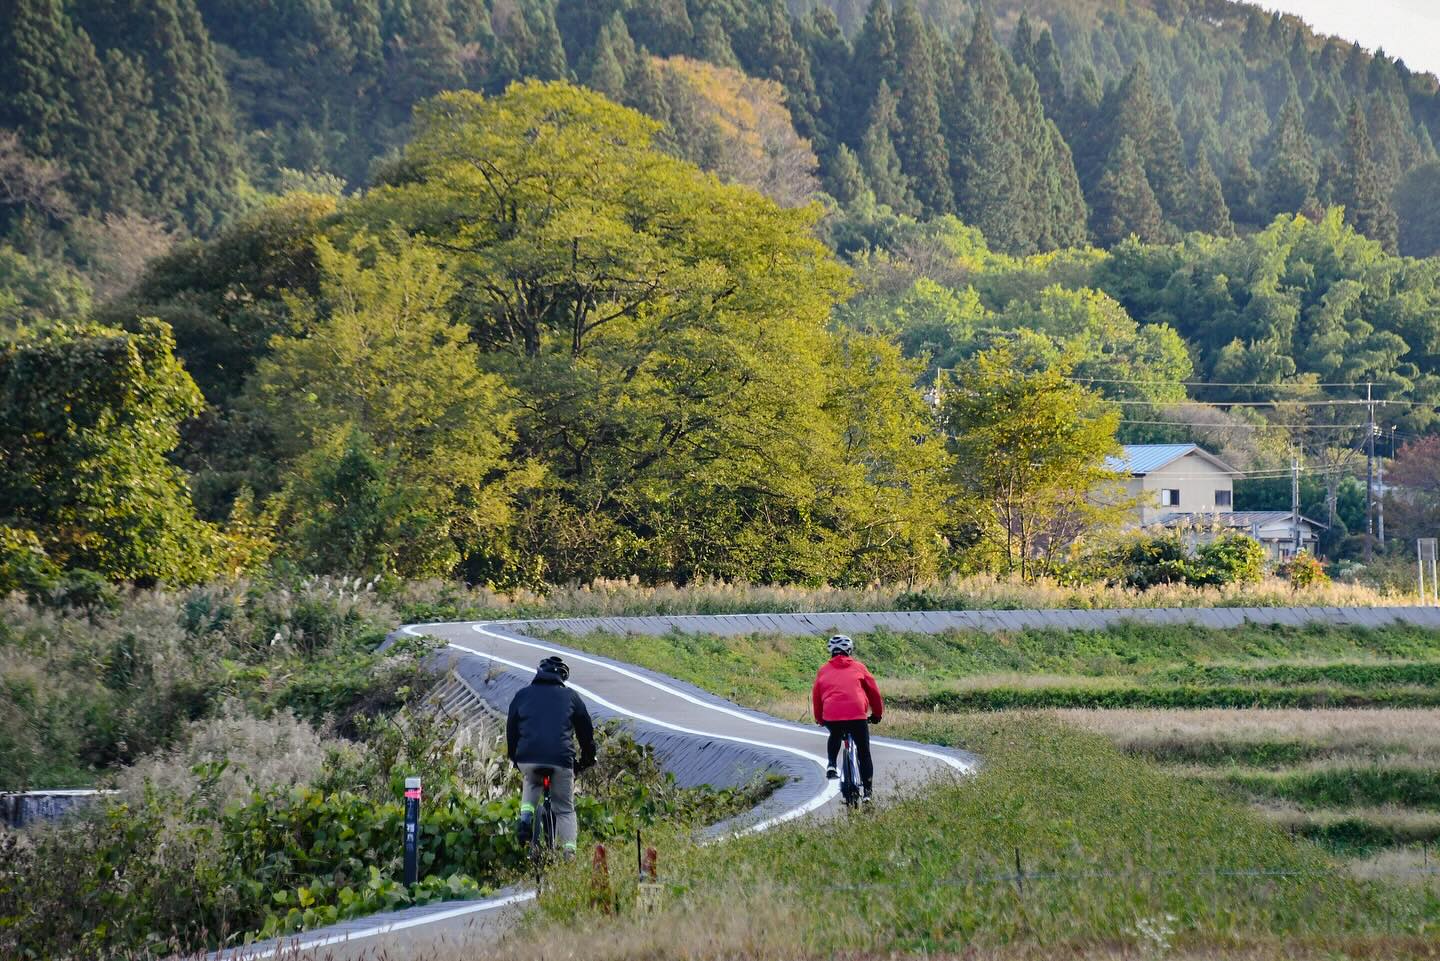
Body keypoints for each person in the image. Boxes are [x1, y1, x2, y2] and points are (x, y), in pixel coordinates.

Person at [506, 655, 595, 858]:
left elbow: (511, 728)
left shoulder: (522, 695)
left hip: (528, 757)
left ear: (539, 673)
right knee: (564, 809)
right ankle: (569, 854)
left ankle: (526, 818)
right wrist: (588, 758)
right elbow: (585, 732)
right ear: (562, 678)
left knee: (531, 781)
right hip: (561, 759)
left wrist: (515, 757)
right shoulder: (571, 697)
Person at [810, 634, 883, 802]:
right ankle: (868, 793)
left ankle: (831, 764)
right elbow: (874, 692)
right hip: (857, 714)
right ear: (849, 650)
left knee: (835, 733)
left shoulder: (823, 670)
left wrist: (820, 718)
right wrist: (877, 714)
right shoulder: (859, 667)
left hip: (832, 714)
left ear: (831, 651)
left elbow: (816, 696)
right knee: (864, 752)